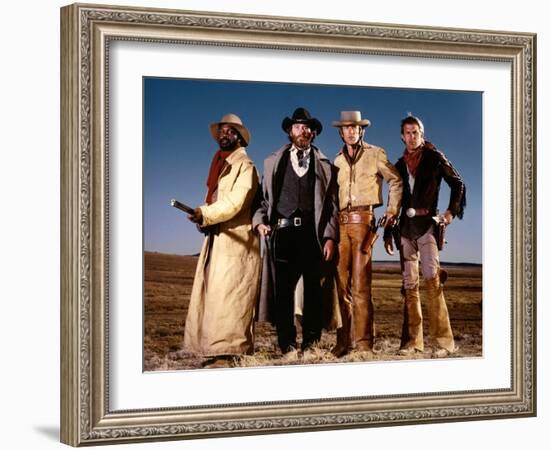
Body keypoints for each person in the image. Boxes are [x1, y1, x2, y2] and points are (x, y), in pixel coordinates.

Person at [253, 107, 339, 355]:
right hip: (282, 233)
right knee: (283, 293)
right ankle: (287, 344)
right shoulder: (272, 162)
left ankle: (311, 343)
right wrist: (260, 223)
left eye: (307, 127)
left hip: (312, 235)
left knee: (314, 291)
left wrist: (330, 237)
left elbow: (332, 205)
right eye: (298, 126)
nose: (304, 131)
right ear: (290, 131)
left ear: (313, 133)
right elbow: (261, 200)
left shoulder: (326, 166)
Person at [183, 113, 261, 368]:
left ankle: (229, 354)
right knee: (216, 295)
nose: (223, 134)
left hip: (238, 240)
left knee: (232, 296)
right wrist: (202, 217)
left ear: (239, 136)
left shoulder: (245, 167)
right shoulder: (220, 165)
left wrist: (205, 213)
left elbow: (235, 202)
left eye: (229, 131)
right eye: (221, 130)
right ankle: (214, 351)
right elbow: (217, 201)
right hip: (219, 237)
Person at [386, 115, 466, 357]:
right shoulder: (399, 165)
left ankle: (444, 343)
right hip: (405, 229)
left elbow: (458, 183)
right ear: (402, 136)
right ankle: (413, 343)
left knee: (432, 281)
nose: (412, 136)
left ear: (422, 133)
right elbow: (395, 201)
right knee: (410, 286)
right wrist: (390, 231)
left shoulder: (434, 157)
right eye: (407, 133)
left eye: (415, 132)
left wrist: (451, 212)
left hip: (428, 226)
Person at [330, 111, 402, 357]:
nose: (350, 131)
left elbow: (396, 181)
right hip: (340, 225)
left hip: (363, 223)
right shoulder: (336, 161)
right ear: (341, 132)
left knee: (361, 286)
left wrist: (392, 211)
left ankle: (363, 345)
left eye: (355, 127)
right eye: (346, 128)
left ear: (362, 130)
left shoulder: (375, 154)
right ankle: (343, 342)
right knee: (341, 287)